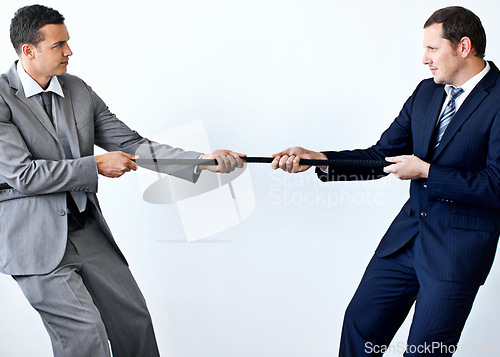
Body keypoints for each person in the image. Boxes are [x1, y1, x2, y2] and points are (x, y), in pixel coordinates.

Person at [0, 5, 244, 357]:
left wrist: (202, 162)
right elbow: (23, 175)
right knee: (86, 337)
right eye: (59, 45)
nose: (70, 52)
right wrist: (95, 166)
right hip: (33, 241)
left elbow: (131, 144)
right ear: (28, 50)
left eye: (67, 42)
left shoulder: (78, 90)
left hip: (85, 230)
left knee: (135, 323)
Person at [272, 6, 500, 357]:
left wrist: (426, 172)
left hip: (457, 251)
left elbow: (496, 185)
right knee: (360, 326)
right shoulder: (426, 93)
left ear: (463, 46)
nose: (424, 59)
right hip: (405, 241)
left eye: (432, 48)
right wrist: (320, 159)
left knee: (425, 351)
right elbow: (383, 156)